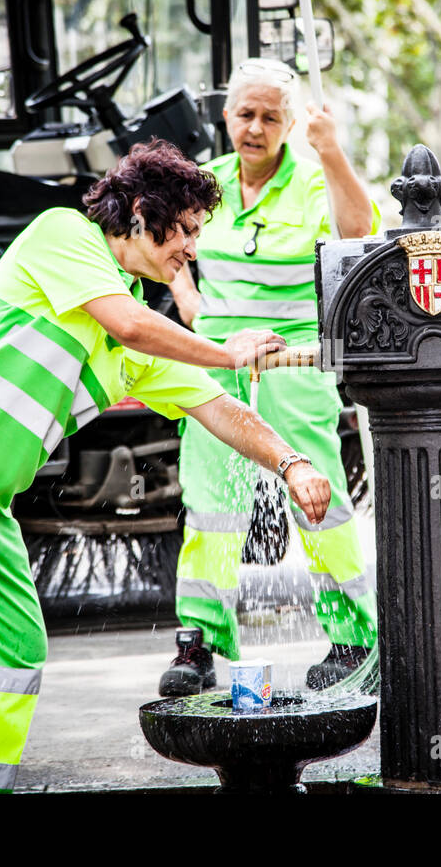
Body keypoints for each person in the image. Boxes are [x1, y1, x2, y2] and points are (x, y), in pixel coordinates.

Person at [0, 139, 331, 793]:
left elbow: (218, 409)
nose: (193, 253)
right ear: (144, 212)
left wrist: (291, 463)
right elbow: (130, 327)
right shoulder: (65, 235)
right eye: (188, 232)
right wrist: (226, 351)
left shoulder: (139, 332)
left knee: (11, 647)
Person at [161, 58, 379, 696]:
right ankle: (197, 642)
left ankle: (352, 637)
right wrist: (191, 305)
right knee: (210, 507)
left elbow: (357, 230)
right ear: (225, 116)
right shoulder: (210, 182)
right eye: (245, 114)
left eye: (270, 117)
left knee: (319, 502)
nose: (255, 127)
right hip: (218, 368)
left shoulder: (312, 181)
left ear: (288, 124)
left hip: (292, 366)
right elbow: (166, 245)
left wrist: (333, 153)